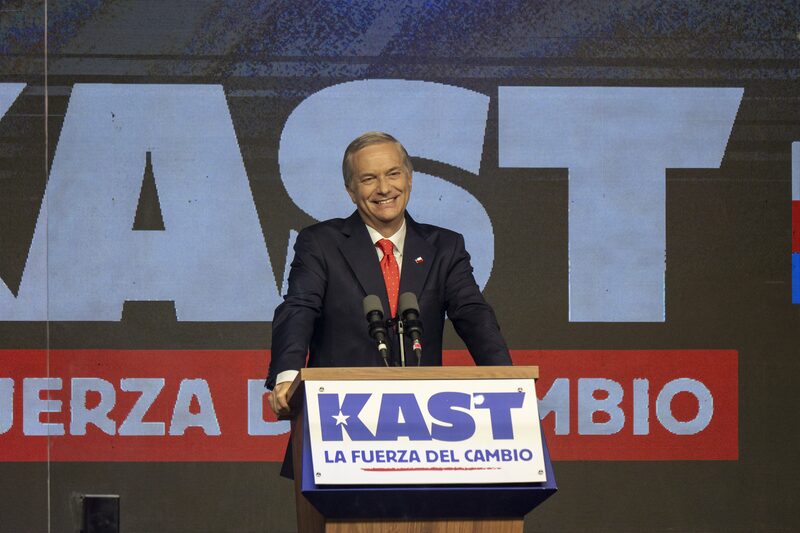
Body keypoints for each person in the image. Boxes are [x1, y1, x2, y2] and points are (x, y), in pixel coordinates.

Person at [266, 131, 511, 416]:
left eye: (393, 174)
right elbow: (299, 307)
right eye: (369, 179)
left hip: (424, 416)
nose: (384, 188)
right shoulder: (320, 244)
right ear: (350, 190)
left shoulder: (445, 247)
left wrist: (505, 377)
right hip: (340, 415)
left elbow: (473, 314)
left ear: (409, 178)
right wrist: (287, 376)